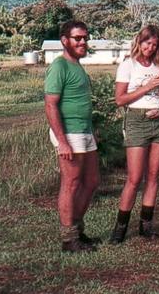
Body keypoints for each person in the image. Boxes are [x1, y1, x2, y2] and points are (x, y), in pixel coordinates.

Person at [109, 25, 159, 244]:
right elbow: (119, 100)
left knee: (153, 177)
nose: (150, 47)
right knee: (134, 178)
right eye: (147, 43)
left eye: (155, 45)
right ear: (139, 41)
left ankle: (146, 225)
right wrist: (146, 87)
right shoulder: (128, 65)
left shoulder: (156, 67)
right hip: (137, 120)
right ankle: (120, 229)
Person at [44, 20, 100, 252]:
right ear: (65, 41)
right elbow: (50, 105)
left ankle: (77, 230)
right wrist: (63, 141)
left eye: (85, 38)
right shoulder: (59, 66)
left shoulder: (77, 65)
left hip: (84, 131)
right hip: (70, 133)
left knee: (91, 182)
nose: (83, 42)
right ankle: (69, 240)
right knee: (71, 183)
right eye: (78, 38)